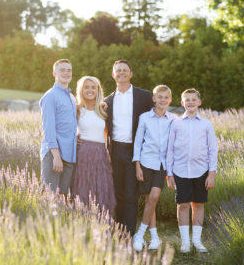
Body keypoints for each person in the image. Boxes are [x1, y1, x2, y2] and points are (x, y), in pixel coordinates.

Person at [105, 60, 153, 236]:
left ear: (131, 74)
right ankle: (117, 231)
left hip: (135, 152)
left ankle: (130, 234)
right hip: (115, 150)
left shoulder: (144, 96)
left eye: (125, 70)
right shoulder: (106, 101)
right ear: (113, 75)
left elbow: (155, 120)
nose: (122, 73)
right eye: (118, 71)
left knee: (131, 195)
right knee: (116, 194)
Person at [166, 88, 218, 253]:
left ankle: (197, 241)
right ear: (182, 103)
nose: (190, 102)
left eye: (193, 100)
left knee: (199, 204)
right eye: (186, 100)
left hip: (201, 170)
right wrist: (169, 174)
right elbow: (170, 150)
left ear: (199, 102)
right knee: (183, 205)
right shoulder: (175, 123)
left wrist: (211, 173)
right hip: (180, 170)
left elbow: (213, 150)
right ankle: (185, 242)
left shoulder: (206, 124)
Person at [132, 85, 176, 251]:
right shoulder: (144, 117)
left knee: (154, 196)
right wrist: (137, 166)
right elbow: (137, 142)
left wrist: (172, 170)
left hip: (162, 164)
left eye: (166, 97)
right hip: (146, 162)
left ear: (170, 100)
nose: (163, 100)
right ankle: (155, 237)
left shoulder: (173, 119)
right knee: (149, 199)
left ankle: (140, 234)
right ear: (154, 99)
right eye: (160, 97)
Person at [72, 76, 116, 215]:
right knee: (83, 188)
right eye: (86, 87)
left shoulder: (103, 109)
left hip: (101, 154)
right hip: (84, 152)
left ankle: (101, 225)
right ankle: (82, 224)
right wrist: (75, 138)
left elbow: (106, 133)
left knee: (101, 188)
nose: (90, 90)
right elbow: (67, 129)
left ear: (98, 90)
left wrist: (107, 152)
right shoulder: (77, 109)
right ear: (81, 90)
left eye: (93, 87)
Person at [40, 59, 77, 202]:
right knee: (50, 198)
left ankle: (58, 225)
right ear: (54, 73)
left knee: (62, 198)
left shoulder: (71, 97)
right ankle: (45, 224)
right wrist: (56, 155)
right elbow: (48, 129)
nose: (66, 73)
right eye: (62, 70)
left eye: (69, 70)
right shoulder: (50, 96)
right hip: (54, 155)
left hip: (69, 155)